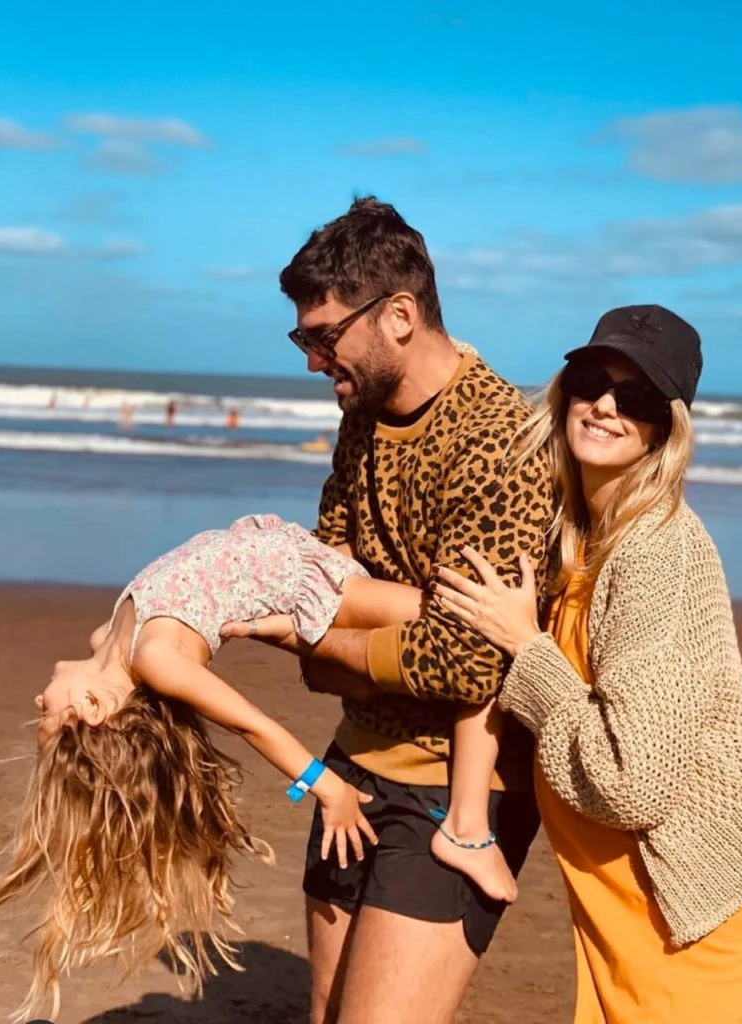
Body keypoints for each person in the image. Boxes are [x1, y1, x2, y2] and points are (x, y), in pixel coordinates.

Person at [224, 197, 553, 1024]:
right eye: (301, 338)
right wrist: (339, 628)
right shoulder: (360, 417)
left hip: (460, 784)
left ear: (399, 315)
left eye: (323, 335)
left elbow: (468, 662)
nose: (311, 360)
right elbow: (316, 579)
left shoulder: (499, 441)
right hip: (353, 761)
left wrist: (317, 640)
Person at [431, 305, 742, 1024]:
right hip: (629, 889)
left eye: (634, 397)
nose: (604, 405)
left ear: (664, 429)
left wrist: (526, 649)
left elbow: (634, 781)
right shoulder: (582, 530)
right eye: (590, 381)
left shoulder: (654, 552)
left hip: (692, 893)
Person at [0, 513, 420, 1020]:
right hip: (299, 577)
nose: (39, 699)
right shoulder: (155, 659)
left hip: (270, 547)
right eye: (49, 715)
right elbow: (251, 725)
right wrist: (327, 788)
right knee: (438, 615)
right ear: (94, 708)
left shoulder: (106, 640)